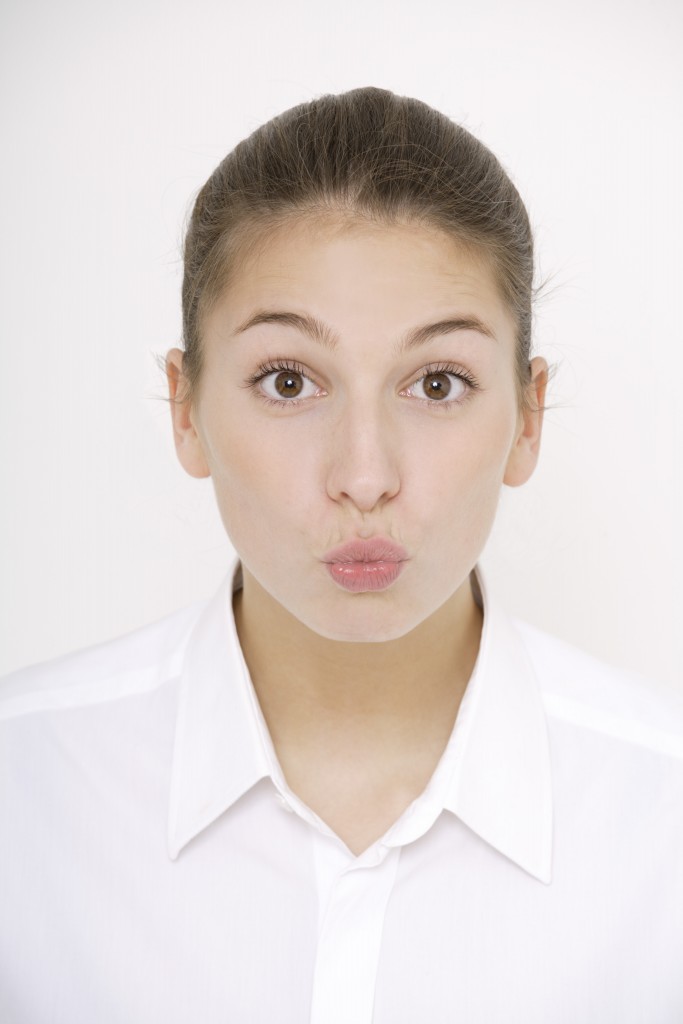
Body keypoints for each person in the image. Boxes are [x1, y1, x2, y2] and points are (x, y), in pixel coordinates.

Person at [1, 87, 681, 1024]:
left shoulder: (662, 819)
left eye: (437, 383)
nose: (364, 476)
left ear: (526, 417)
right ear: (184, 408)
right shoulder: (24, 788)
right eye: (288, 382)